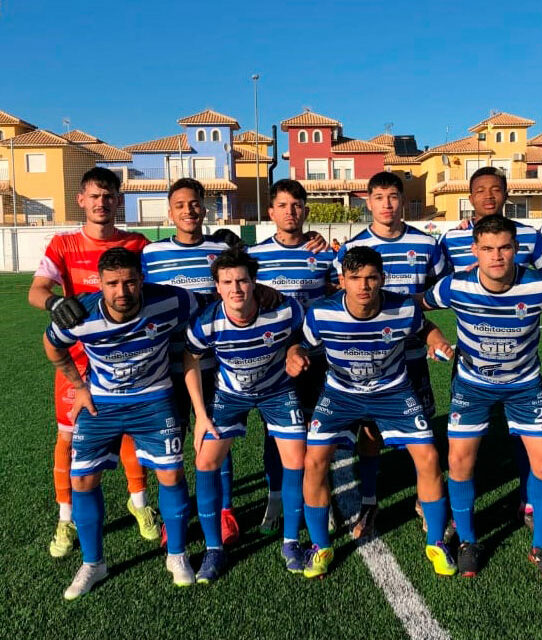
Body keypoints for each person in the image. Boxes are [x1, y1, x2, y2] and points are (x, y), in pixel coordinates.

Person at [290, 246, 456, 579]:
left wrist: (437, 341)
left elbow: (425, 327)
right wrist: (294, 354)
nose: (364, 286)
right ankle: (321, 546)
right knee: (314, 461)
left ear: (382, 279)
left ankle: (436, 542)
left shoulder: (402, 308)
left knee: (428, 458)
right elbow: (300, 342)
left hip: (393, 392)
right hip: (341, 394)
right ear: (341, 281)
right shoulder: (322, 313)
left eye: (371, 278)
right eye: (355, 279)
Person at [421, 215, 542, 579]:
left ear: (516, 250)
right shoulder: (454, 286)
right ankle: (469, 540)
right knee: (458, 462)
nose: (496, 256)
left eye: (504, 247)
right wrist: (435, 338)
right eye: (487, 249)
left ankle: (539, 547)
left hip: (525, 384)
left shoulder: (541, 286)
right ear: (474, 251)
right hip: (472, 385)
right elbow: (413, 309)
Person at [43, 248, 197, 599]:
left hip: (154, 399)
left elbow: (212, 304)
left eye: (130, 282)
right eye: (112, 283)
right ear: (100, 284)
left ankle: (177, 555)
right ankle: (93, 564)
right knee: (81, 479)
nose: (122, 291)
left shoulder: (172, 300)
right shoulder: (81, 313)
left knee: (171, 475)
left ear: (142, 280)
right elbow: (52, 346)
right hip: (102, 405)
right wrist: (79, 386)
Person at [29, 167, 157, 558]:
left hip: (129, 359)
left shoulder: (138, 243)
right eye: (94, 196)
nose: (102, 203)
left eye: (109, 196)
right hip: (78, 364)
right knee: (67, 440)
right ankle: (66, 517)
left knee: (130, 434)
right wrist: (53, 303)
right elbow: (37, 290)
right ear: (81, 200)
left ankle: (138, 503)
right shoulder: (63, 245)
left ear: (118, 200)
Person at [439, 166, 542, 529]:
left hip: (520, 359)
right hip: (474, 358)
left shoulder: (530, 238)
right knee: (461, 448)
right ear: (470, 196)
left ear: (506, 194)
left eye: (496, 189)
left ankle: (528, 499)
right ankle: (445, 505)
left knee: (528, 439)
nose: (488, 196)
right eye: (480, 190)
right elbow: (436, 286)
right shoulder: (452, 240)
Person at [334, 171, 447, 539]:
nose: (386, 204)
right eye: (378, 196)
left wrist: (425, 322)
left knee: (423, 431)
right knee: (369, 433)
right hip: (368, 360)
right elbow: (339, 295)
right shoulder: (351, 247)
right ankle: (369, 502)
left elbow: (442, 287)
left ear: (403, 201)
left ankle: (422, 498)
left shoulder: (427, 244)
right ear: (368, 201)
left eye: (393, 196)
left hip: (411, 355)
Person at [184, 247, 307, 581]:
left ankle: (291, 542)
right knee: (205, 461)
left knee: (296, 461)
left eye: (242, 280)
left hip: (277, 391)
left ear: (254, 282)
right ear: (218, 287)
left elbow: (302, 333)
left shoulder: (284, 310)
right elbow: (190, 360)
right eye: (227, 282)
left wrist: (296, 351)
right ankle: (214, 550)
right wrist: (199, 413)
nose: (236, 288)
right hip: (230, 395)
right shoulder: (207, 323)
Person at [141, 178, 241, 546]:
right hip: (165, 368)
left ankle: (226, 511)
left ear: (205, 208)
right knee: (174, 443)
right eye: (180, 205)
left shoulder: (223, 248)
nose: (189, 210)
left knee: (216, 436)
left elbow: (247, 280)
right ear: (170, 212)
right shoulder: (150, 254)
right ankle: (177, 515)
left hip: (214, 365)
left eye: (195, 203)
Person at [247, 179, 338, 534]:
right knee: (276, 431)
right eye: (283, 205)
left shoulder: (324, 253)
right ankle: (276, 497)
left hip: (318, 355)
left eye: (297, 205)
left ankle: (319, 496)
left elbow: (337, 292)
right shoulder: (255, 256)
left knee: (320, 430)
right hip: (272, 359)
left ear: (306, 211)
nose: (290, 211)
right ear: (271, 212)